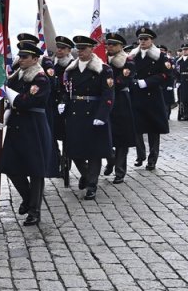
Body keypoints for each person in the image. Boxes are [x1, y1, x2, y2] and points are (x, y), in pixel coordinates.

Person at [2, 41, 55, 225]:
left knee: (35, 170)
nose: (21, 59)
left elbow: (27, 101)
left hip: (34, 126)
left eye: (25, 57)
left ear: (35, 58)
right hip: (16, 124)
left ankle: (35, 211)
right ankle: (27, 197)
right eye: (20, 56)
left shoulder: (40, 78)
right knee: (10, 166)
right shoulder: (17, 76)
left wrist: (8, 92)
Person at [59, 35, 114, 200]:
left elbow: (108, 94)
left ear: (92, 49)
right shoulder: (71, 69)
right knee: (74, 150)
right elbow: (66, 90)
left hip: (94, 111)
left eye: (84, 48)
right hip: (75, 112)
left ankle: (92, 184)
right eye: (78, 48)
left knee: (94, 151)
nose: (80, 51)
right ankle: (87, 174)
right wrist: (63, 102)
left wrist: (102, 115)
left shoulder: (103, 69)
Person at [130, 27, 171, 170]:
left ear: (151, 40)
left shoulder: (160, 56)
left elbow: (166, 75)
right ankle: (140, 155)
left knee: (154, 129)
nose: (142, 41)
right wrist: (133, 81)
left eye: (145, 39)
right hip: (136, 95)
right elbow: (127, 71)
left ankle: (152, 159)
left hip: (152, 95)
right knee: (136, 128)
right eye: (140, 39)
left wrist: (148, 82)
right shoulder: (133, 55)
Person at [103, 34, 136, 184]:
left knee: (121, 138)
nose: (109, 47)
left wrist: (105, 85)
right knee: (104, 134)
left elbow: (123, 81)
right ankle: (111, 159)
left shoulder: (127, 61)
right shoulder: (100, 60)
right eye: (108, 44)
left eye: (113, 44)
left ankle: (120, 171)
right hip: (104, 101)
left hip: (120, 100)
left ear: (121, 46)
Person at [50, 37, 75, 180]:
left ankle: (66, 164)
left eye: (63, 48)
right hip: (53, 105)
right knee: (52, 135)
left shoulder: (72, 65)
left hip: (67, 105)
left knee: (67, 137)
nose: (59, 50)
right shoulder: (52, 65)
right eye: (58, 48)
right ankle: (57, 159)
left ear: (69, 51)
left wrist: (64, 101)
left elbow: (71, 87)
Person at [159, 45, 177, 117]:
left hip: (166, 83)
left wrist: (170, 85)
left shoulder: (168, 61)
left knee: (166, 101)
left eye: (162, 50)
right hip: (157, 83)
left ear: (165, 52)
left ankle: (166, 115)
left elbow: (170, 74)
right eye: (159, 50)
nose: (160, 51)